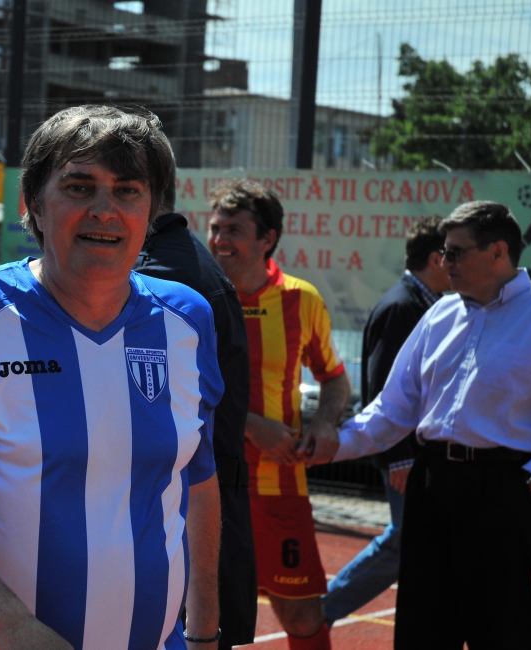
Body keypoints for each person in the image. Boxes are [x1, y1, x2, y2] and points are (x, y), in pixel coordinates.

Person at [0, 106, 223, 649]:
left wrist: (203, 631)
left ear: (151, 210)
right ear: (32, 203)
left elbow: (197, 482)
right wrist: (12, 630)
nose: (104, 210)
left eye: (127, 191)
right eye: (79, 187)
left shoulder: (188, 319)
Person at [326, 201, 531, 648]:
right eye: (443, 252)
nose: (444, 262)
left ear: (498, 252)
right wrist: (331, 446)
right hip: (432, 485)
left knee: (500, 632)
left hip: (503, 489)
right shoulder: (439, 314)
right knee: (423, 631)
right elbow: (392, 410)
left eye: (456, 252)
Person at [207, 179, 350, 650]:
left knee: (301, 613)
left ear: (267, 239)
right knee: (199, 609)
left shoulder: (301, 299)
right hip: (206, 479)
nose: (219, 240)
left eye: (234, 230)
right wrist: (252, 426)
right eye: (215, 228)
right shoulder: (196, 296)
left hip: (279, 485)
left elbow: (334, 378)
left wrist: (325, 422)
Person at [133, 182, 258, 649]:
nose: (101, 211)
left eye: (121, 191)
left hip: (182, 509)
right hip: (198, 503)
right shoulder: (181, 262)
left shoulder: (160, 276)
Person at [321, 215, 449, 624]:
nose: (458, 265)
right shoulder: (402, 306)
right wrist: (399, 457)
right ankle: (321, 611)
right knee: (404, 541)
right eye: (454, 254)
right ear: (436, 259)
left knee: (424, 543)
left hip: (416, 452)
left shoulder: (426, 304)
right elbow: (383, 389)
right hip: (404, 455)